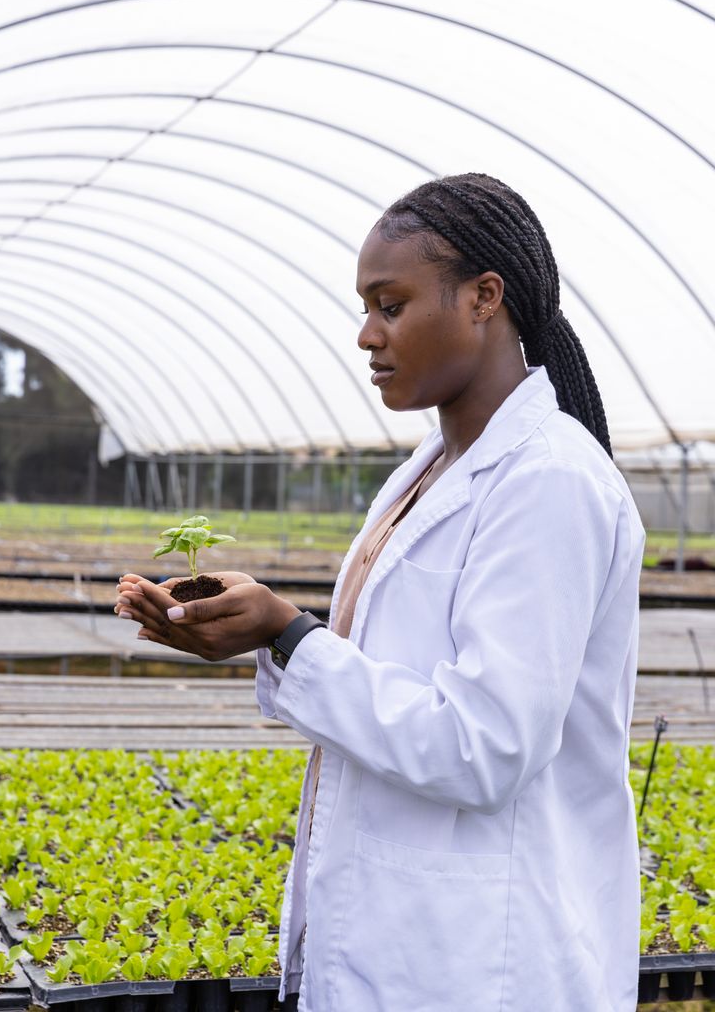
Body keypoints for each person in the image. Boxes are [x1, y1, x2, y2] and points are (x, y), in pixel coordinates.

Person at [116, 173, 645, 1012]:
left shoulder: (548, 482)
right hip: (401, 945)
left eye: (390, 306)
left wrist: (291, 635)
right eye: (365, 310)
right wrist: (266, 635)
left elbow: (486, 746)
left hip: (485, 962)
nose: (367, 335)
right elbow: (389, 684)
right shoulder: (427, 474)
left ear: (484, 297)